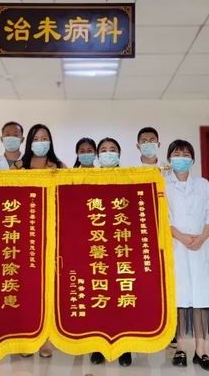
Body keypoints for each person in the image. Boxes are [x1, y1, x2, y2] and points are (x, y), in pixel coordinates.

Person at [165, 139, 209, 372]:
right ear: (169, 158)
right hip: (176, 247)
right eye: (177, 154)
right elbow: (161, 216)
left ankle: (202, 352)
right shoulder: (163, 184)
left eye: (186, 154)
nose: (181, 158)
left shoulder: (203, 184)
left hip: (201, 247)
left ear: (192, 159)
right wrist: (180, 236)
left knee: (202, 299)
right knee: (179, 299)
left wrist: (203, 235)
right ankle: (180, 348)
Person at [13, 124, 65, 359]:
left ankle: (46, 340)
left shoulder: (58, 166)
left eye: (45, 138)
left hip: (51, 235)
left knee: (49, 289)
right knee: (25, 289)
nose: (41, 142)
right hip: (24, 235)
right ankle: (26, 339)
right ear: (29, 142)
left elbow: (70, 197)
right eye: (37, 138)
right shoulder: (18, 167)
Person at [90, 137, 132, 367]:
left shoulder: (130, 177)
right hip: (97, 246)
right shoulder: (89, 178)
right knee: (100, 297)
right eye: (104, 150)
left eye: (112, 149)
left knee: (123, 297)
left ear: (119, 153)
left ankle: (124, 347)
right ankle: (98, 346)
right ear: (98, 156)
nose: (108, 153)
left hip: (122, 244)